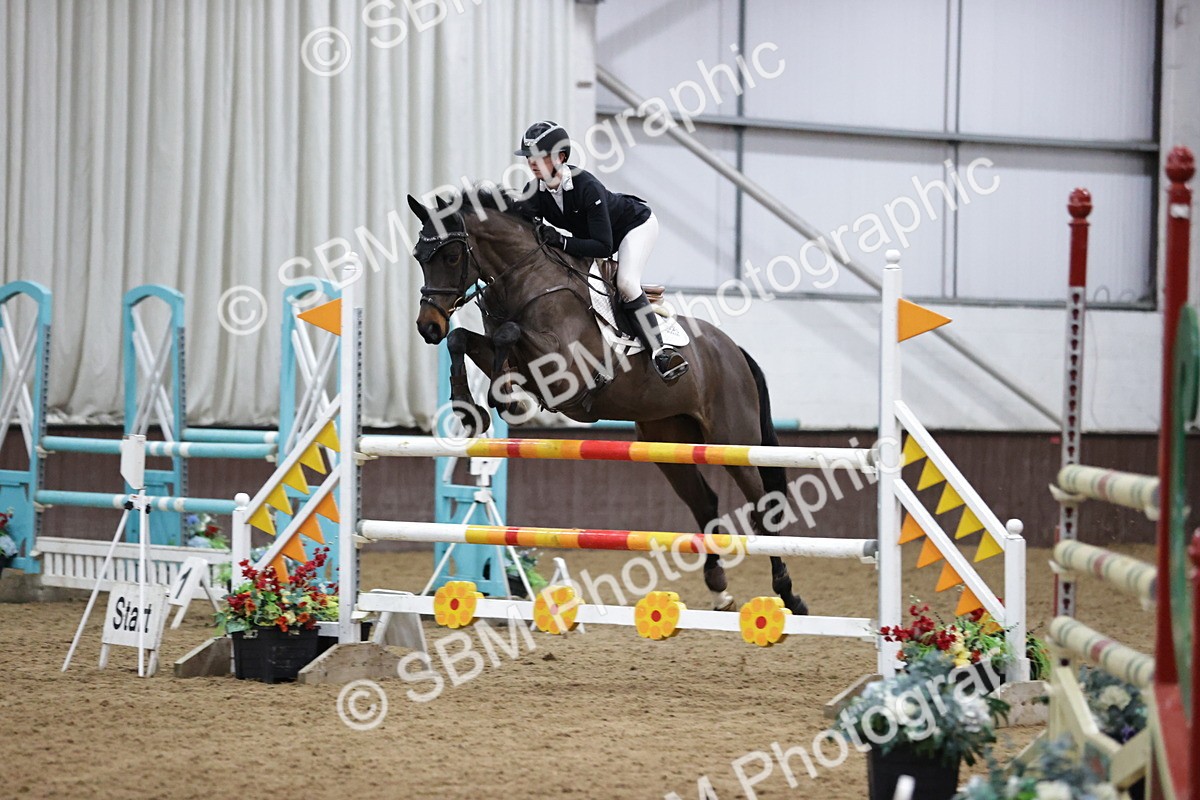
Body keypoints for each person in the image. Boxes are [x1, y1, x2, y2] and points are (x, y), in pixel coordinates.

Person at [514, 120, 688, 383]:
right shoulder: (534, 191)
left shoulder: (586, 187)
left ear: (561, 157)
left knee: (626, 283)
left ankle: (660, 352)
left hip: (634, 226)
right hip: (591, 238)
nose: (532, 162)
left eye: (540, 156)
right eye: (529, 157)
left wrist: (561, 241)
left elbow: (603, 246)